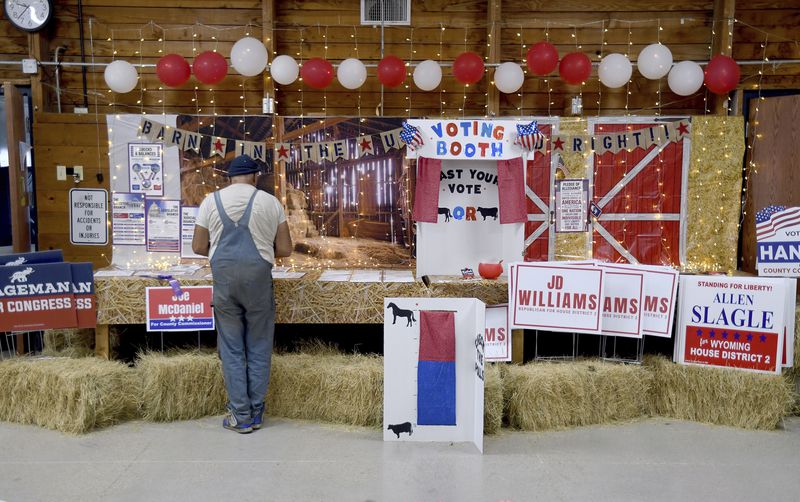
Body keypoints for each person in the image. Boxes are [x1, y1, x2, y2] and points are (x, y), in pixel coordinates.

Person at [192, 154, 293, 433]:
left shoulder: (210, 202)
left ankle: (241, 416)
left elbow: (199, 247)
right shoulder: (270, 202)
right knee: (259, 346)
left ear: (229, 177)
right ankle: (257, 412)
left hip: (225, 283)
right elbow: (284, 249)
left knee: (232, 349)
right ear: (255, 177)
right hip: (258, 281)